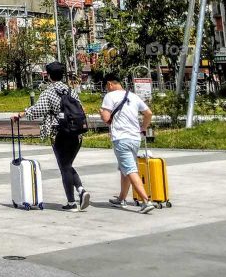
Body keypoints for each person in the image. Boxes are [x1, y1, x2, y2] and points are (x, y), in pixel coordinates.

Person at [16, 61, 91, 211]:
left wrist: (21, 114)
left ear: (49, 76)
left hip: (60, 133)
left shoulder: (49, 92)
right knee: (67, 165)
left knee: (64, 167)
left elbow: (38, 110)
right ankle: (80, 190)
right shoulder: (71, 91)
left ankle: (72, 202)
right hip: (76, 133)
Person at [100, 74, 155, 213]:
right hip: (135, 138)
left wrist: (102, 114)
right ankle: (121, 199)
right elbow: (148, 113)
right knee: (125, 170)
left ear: (110, 84)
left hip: (121, 138)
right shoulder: (133, 96)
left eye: (107, 86)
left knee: (130, 170)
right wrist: (143, 128)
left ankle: (145, 201)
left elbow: (106, 118)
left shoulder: (109, 97)